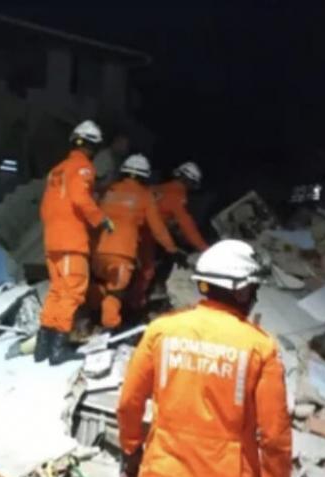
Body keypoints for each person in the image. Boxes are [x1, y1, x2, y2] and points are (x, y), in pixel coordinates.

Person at [116, 240, 292, 477]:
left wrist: (131, 451)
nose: (254, 296)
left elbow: (129, 402)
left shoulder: (161, 331)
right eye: (253, 288)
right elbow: (274, 433)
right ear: (240, 291)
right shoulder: (259, 347)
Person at [35, 120, 116, 365]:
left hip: (53, 241)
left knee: (57, 291)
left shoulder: (57, 170)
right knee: (72, 292)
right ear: (92, 147)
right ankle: (58, 350)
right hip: (71, 241)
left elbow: (47, 206)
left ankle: (43, 347)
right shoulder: (83, 168)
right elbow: (80, 198)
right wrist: (101, 220)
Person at [89, 154, 181, 330]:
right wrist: (172, 248)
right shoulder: (145, 196)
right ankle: (111, 328)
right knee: (115, 292)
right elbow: (158, 228)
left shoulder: (110, 191)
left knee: (100, 284)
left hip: (98, 250)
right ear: (145, 175)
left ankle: (93, 315)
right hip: (122, 253)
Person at [129, 161, 211, 313]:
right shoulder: (178, 196)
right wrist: (205, 249)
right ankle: (135, 304)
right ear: (191, 183)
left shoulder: (156, 188)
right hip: (146, 233)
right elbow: (188, 227)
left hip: (128, 229)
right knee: (147, 270)